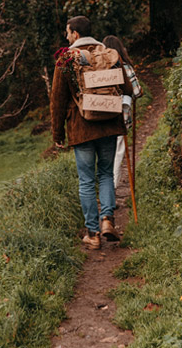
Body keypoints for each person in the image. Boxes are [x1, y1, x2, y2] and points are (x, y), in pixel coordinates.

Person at [51, 16, 132, 249]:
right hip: (108, 123)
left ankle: (93, 234)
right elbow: (127, 87)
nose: (66, 37)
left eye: (68, 33)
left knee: (86, 181)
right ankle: (108, 220)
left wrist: (58, 134)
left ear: (75, 34)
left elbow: (57, 99)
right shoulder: (108, 54)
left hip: (81, 127)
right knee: (106, 174)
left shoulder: (66, 58)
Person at [102, 35, 142, 189]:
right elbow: (137, 91)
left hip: (102, 116)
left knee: (105, 155)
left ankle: (104, 193)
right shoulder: (125, 67)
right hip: (121, 117)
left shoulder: (100, 68)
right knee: (118, 154)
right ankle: (111, 189)